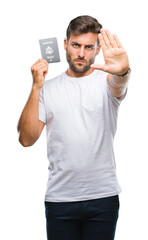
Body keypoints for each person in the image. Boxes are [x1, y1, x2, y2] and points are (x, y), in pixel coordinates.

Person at [18, 15, 131, 240]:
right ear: (65, 45)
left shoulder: (107, 82)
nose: (81, 53)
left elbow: (119, 83)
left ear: (97, 49)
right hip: (60, 199)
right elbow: (26, 139)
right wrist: (36, 87)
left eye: (89, 47)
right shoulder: (47, 88)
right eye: (76, 45)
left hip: (103, 198)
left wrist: (122, 71)